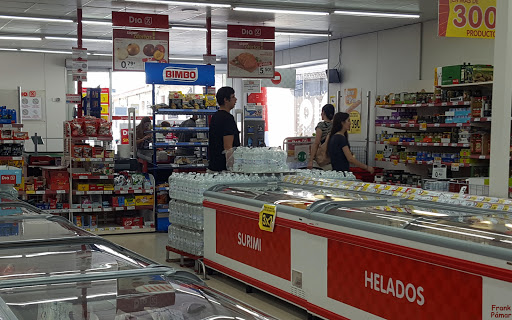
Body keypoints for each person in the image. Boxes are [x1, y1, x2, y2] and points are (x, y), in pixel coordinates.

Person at [208, 87, 240, 172]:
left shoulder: (215, 116)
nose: (236, 99)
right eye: (233, 97)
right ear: (226, 100)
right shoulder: (227, 118)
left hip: (214, 166)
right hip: (223, 170)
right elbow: (228, 147)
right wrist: (232, 169)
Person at [308, 104, 335, 170]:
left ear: (323, 113)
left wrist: (311, 160)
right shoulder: (335, 126)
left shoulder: (321, 125)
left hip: (323, 159)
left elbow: (316, 143)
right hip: (333, 159)